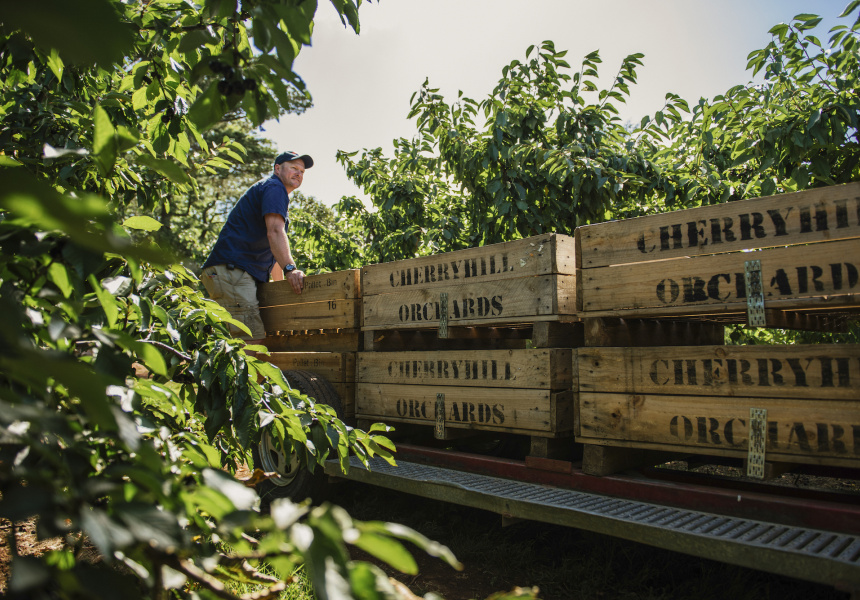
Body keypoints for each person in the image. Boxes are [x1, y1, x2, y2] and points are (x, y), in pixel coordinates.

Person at [200, 150, 311, 344]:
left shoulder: (272, 192)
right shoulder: (275, 188)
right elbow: (274, 232)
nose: (298, 174)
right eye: (294, 168)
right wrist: (291, 269)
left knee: (240, 341)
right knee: (251, 339)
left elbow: (273, 251)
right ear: (277, 169)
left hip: (230, 273)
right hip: (233, 272)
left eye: (302, 171)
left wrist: (281, 289)